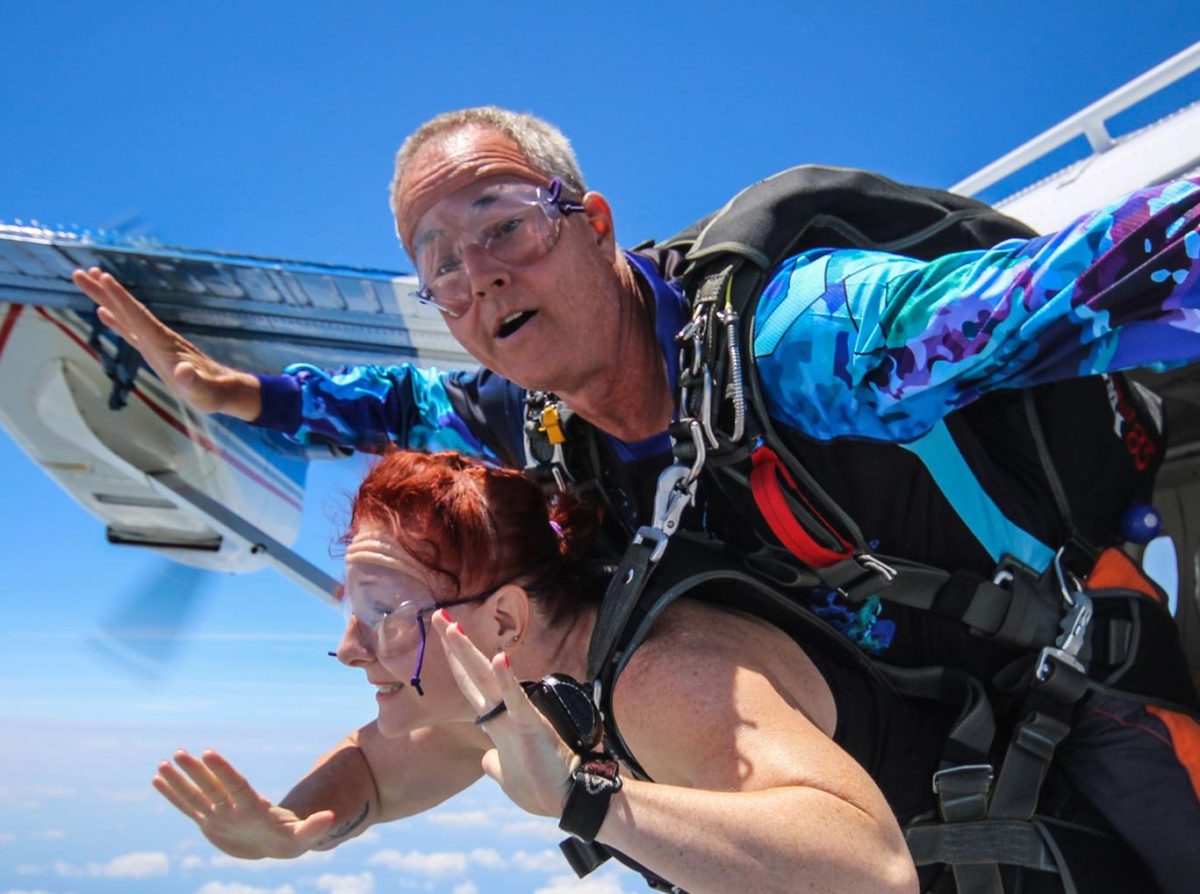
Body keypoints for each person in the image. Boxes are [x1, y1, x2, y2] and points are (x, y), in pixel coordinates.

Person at [74, 107, 1200, 890]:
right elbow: (396, 405)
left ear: (594, 221)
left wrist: (581, 801)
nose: (479, 279)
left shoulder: (806, 340)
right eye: (442, 270)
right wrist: (233, 393)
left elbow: (1072, 288)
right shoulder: (535, 419)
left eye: (504, 226)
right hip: (909, 739)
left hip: (1065, 693)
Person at [149, 450, 1014, 893]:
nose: (347, 646)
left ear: (503, 620)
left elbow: (873, 873)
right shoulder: (511, 694)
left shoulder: (666, 680)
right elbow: (375, 771)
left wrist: (585, 799)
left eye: (382, 614)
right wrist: (293, 828)